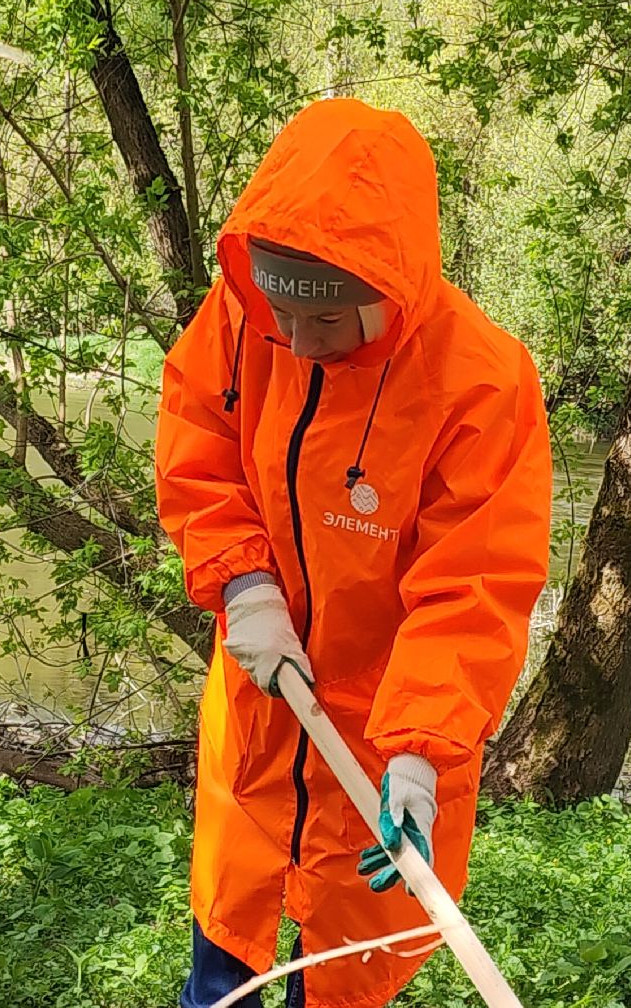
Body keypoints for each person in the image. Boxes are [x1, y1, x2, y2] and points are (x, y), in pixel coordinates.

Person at [154, 97, 554, 1008]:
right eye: (279, 310)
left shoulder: (480, 383)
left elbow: (475, 585)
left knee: (339, 972)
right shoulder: (242, 318)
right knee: (224, 948)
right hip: (262, 709)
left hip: (382, 732)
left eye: (325, 321)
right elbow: (197, 448)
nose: (295, 342)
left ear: (389, 287)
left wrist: (419, 753)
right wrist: (243, 584)